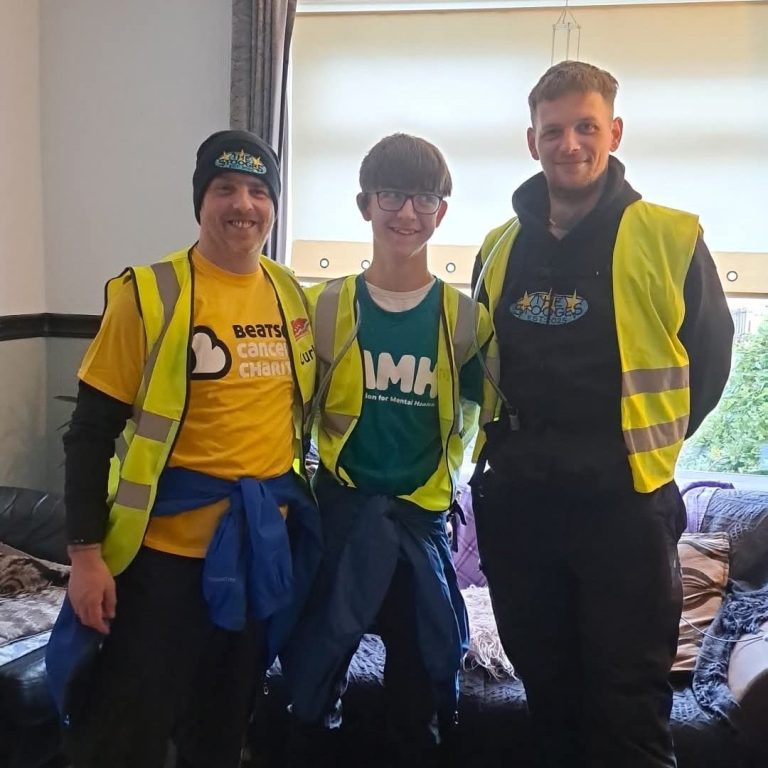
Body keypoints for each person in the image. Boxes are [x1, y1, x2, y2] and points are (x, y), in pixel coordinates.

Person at [471, 61, 734, 768]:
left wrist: (636, 447)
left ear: (614, 132)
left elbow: (708, 367)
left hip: (623, 512)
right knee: (548, 707)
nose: (570, 144)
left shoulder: (670, 238)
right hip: (522, 511)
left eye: (586, 127)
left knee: (628, 717)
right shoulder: (498, 247)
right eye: (553, 130)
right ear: (532, 141)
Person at [45, 129, 320, 768]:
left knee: (222, 732)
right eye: (225, 188)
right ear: (200, 201)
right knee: (125, 737)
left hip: (257, 554)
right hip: (161, 564)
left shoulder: (291, 295)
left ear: (273, 205)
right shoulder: (148, 294)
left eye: (258, 191)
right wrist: (85, 555)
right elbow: (89, 433)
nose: (243, 204)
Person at [282, 133, 492, 767]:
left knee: (417, 698)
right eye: (392, 195)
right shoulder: (324, 307)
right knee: (312, 681)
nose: (407, 212)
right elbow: (289, 415)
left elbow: (491, 419)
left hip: (419, 529)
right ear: (365, 204)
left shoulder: (466, 321)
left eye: (424, 198)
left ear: (441, 212)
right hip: (341, 521)